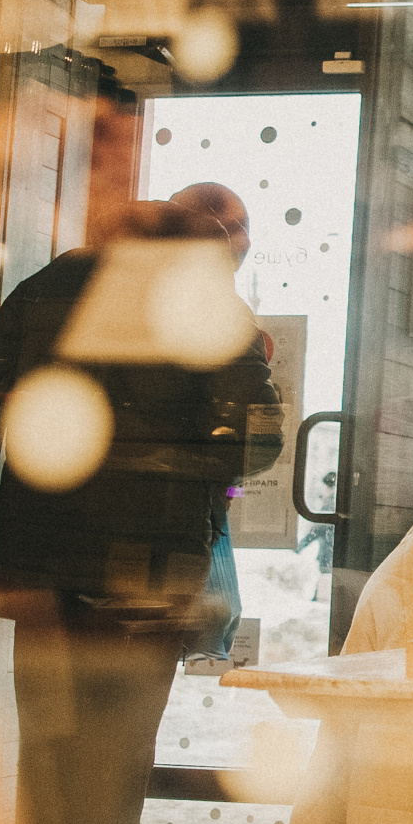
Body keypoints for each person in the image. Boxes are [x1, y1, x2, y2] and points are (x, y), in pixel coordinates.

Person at [0, 201, 281, 824]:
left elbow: (0, 397)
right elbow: (256, 439)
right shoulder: (199, 307)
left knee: (48, 746)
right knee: (113, 756)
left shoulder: (40, 291)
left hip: (41, 559)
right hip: (143, 567)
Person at [167, 181, 263, 664]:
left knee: (48, 725)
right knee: (126, 730)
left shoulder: (70, 284)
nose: (244, 242)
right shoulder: (217, 312)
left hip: (56, 547)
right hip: (165, 535)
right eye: (238, 228)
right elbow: (254, 436)